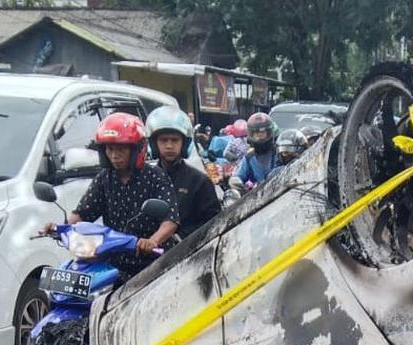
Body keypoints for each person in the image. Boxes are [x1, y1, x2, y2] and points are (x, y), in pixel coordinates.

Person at [46, 112, 180, 270]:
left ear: (137, 149)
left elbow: (170, 220)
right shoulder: (104, 178)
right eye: (110, 149)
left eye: (121, 149)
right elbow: (83, 212)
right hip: (113, 262)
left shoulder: (155, 176)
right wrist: (60, 228)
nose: (114, 156)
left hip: (153, 262)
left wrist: (152, 241)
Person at [146, 106, 222, 239]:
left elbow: (213, 222)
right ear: (154, 144)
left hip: (188, 252)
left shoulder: (199, 181)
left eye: (175, 140)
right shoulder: (145, 179)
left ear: (184, 144)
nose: (169, 145)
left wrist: (180, 237)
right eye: (164, 140)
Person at [233, 112, 280, 188]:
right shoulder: (249, 156)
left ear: (269, 133)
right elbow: (240, 175)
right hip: (257, 195)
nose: (260, 136)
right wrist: (236, 180)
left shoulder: (278, 153)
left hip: (279, 192)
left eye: (262, 133)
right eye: (256, 133)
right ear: (251, 135)